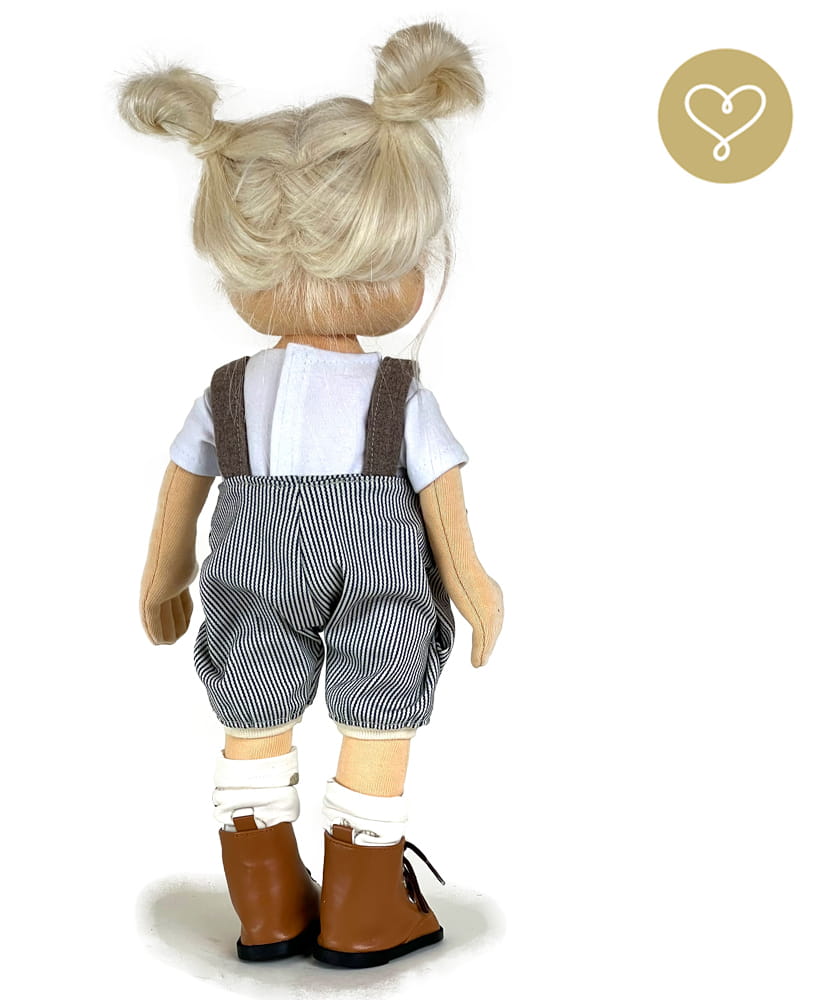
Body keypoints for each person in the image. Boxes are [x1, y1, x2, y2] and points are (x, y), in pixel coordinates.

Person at [118, 20, 503, 968]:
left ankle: (266, 908)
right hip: (380, 571)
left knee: (252, 705)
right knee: (381, 706)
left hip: (254, 565)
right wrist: (474, 586)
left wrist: (163, 575)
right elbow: (441, 494)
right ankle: (365, 908)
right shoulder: (397, 392)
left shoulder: (228, 390)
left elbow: (183, 484)